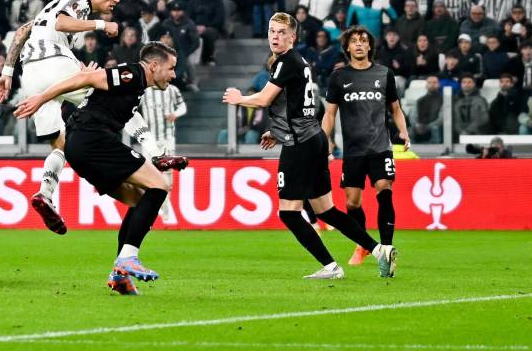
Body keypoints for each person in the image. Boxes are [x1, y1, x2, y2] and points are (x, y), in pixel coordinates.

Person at [0, 0, 165, 235]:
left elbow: (22, 32)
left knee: (62, 143)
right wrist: (102, 25)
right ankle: (156, 153)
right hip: (53, 62)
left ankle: (45, 193)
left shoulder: (48, 10)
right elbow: (61, 23)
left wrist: (6, 72)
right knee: (114, 96)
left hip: (31, 74)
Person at [224, 15, 397, 280]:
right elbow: (299, 107)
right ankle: (379, 250)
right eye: (271, 31)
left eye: (282, 32)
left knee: (288, 213)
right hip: (313, 138)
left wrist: (239, 98)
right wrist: (278, 131)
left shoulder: (286, 61)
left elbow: (264, 99)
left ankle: (331, 267)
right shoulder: (300, 61)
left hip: (300, 144)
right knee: (327, 210)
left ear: (293, 37)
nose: (275, 36)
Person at [14, 42, 188, 295]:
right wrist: (41, 98)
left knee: (140, 201)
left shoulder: (137, 85)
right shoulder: (132, 74)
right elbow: (85, 78)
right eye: (171, 68)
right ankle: (127, 258)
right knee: (161, 185)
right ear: (154, 66)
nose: (173, 75)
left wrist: (158, 156)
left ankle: (120, 276)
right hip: (92, 140)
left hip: (80, 147)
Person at [321, 25, 408, 269]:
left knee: (384, 188)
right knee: (352, 203)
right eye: (354, 41)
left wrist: (403, 130)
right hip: (354, 151)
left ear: (370, 46)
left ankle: (387, 250)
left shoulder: (384, 73)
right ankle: (364, 244)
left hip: (380, 146)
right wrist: (324, 140)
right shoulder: (339, 77)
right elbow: (330, 113)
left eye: (363, 40)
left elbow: (395, 108)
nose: (359, 44)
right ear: (347, 48)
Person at [139, 81, 187, 220]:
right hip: (149, 140)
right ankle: (152, 207)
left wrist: (175, 114)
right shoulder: (144, 91)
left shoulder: (172, 90)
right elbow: (133, 107)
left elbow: (182, 106)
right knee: (147, 174)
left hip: (167, 140)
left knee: (167, 174)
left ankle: (165, 208)